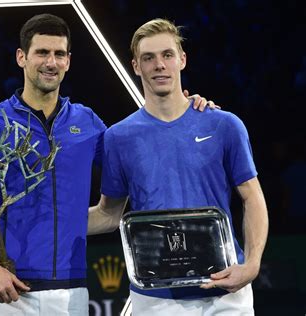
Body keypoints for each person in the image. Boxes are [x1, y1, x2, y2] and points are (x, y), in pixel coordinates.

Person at [0, 14, 214, 316]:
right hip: (6, 294)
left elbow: (139, 161)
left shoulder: (87, 124)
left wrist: (185, 111)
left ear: (68, 61)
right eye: (42, 53)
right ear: (22, 57)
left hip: (72, 295)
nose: (51, 62)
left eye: (59, 54)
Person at [88, 18, 269, 315]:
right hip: (156, 297)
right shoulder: (118, 138)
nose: (159, 65)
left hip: (225, 291)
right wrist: (46, 223)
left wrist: (251, 265)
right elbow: (109, 214)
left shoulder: (224, 124)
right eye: (149, 58)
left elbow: (253, 197)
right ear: (136, 66)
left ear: (182, 60)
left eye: (167, 55)